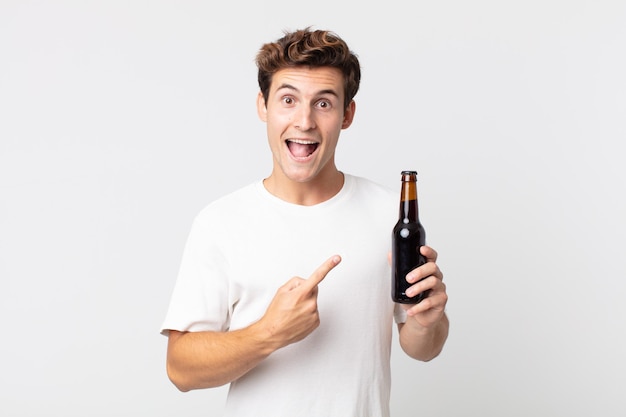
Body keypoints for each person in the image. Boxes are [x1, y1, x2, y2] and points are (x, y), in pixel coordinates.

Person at [160, 27, 449, 417]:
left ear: (347, 114)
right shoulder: (221, 222)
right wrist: (268, 333)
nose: (304, 121)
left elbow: (422, 349)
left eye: (324, 103)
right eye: (288, 100)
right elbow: (180, 369)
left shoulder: (388, 214)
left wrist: (428, 321)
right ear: (263, 106)